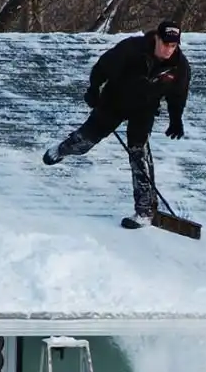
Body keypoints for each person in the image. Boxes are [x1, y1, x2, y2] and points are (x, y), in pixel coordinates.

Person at [43, 20, 191, 228]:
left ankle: (145, 211)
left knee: (139, 154)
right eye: (165, 43)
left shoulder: (179, 67)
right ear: (156, 38)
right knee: (85, 141)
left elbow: (178, 95)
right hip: (114, 102)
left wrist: (176, 119)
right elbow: (102, 67)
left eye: (173, 45)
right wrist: (94, 89)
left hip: (144, 109)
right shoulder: (132, 48)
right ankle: (62, 149)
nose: (168, 49)